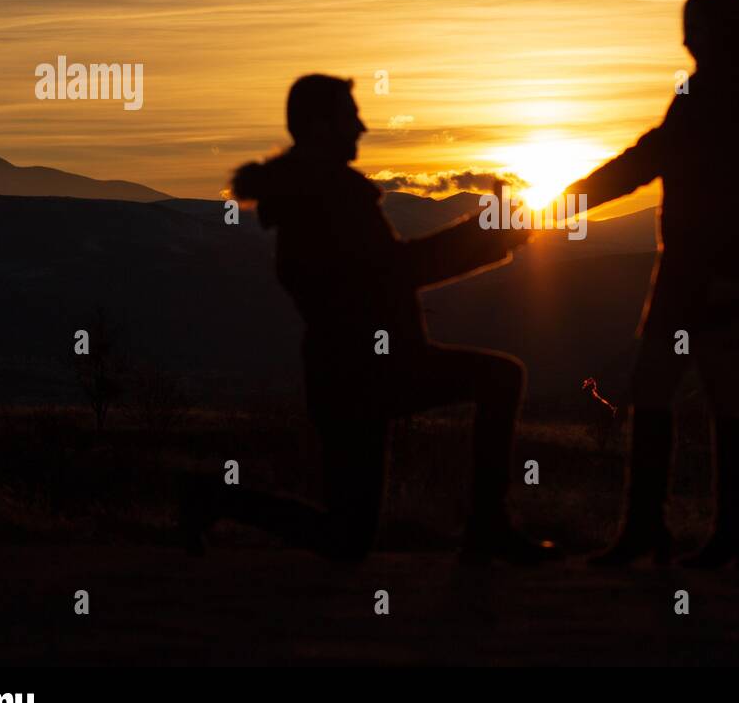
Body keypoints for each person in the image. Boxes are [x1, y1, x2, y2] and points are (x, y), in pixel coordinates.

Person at [181, 74, 557, 563]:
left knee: (347, 537)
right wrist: (489, 236)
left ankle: (214, 501)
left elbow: (383, 273)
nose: (362, 125)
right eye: (349, 115)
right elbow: (397, 271)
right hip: (368, 372)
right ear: (320, 127)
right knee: (501, 379)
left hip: (352, 374)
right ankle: (487, 526)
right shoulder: (327, 197)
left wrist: (489, 237)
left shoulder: (313, 195)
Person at [563, 0, 739, 568]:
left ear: (717, 31)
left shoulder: (724, 98)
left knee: (714, 394)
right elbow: (649, 157)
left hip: (719, 267)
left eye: (693, 25)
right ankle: (667, 530)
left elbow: (662, 167)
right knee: (667, 389)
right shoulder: (716, 94)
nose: (683, 36)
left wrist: (568, 200)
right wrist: (569, 198)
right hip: (692, 268)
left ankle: (715, 534)